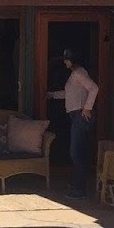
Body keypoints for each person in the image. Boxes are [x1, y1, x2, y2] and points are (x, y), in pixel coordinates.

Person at [48, 49, 100, 198]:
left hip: (80, 116)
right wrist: (52, 95)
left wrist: (87, 108)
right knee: (78, 152)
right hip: (76, 115)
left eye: (66, 59)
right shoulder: (76, 74)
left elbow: (94, 88)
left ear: (72, 60)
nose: (65, 62)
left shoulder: (79, 73)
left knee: (77, 152)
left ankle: (80, 190)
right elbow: (71, 94)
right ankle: (78, 185)